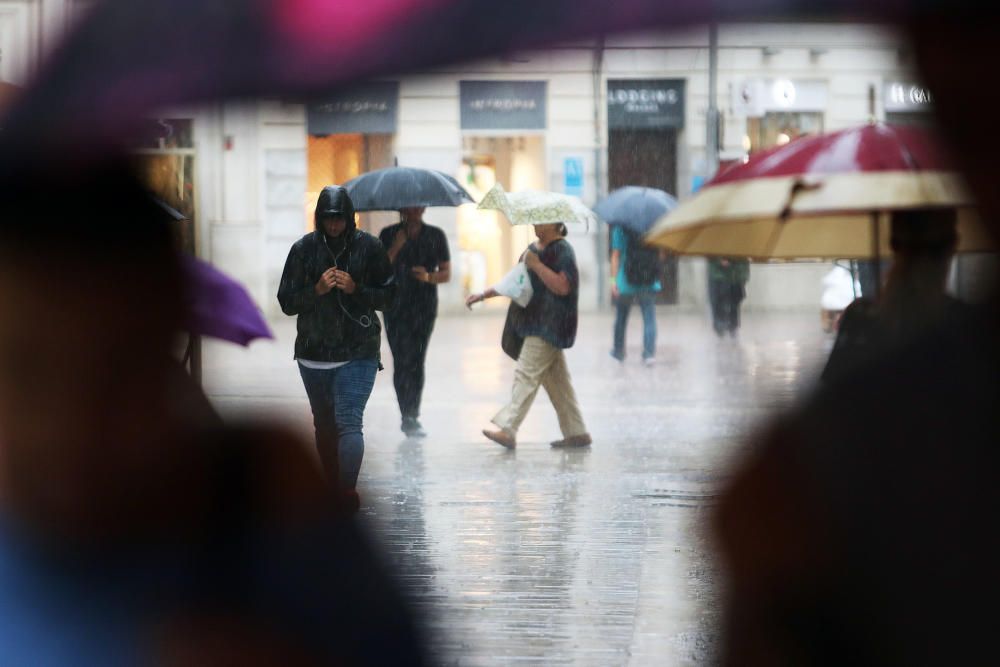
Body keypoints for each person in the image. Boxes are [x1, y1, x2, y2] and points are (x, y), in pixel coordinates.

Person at [278, 185, 396, 507]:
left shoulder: (369, 248)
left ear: (350, 217)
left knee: (349, 419)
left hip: (358, 351)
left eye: (339, 218)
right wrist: (316, 289)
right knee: (324, 424)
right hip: (313, 354)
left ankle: (346, 490)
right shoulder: (303, 250)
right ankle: (331, 486)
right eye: (328, 219)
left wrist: (356, 289)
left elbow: (389, 296)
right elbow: (286, 302)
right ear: (319, 218)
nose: (334, 225)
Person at [466, 223, 591, 450]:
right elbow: (514, 281)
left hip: (551, 325)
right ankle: (577, 431)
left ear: (554, 223)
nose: (534, 224)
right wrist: (484, 294)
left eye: (539, 220)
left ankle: (508, 428)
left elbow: (563, 286)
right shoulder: (531, 250)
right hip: (532, 322)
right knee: (557, 382)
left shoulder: (563, 250)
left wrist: (537, 265)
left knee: (526, 374)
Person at [821, 209, 964, 383]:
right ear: (954, 243)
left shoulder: (860, 318)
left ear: (892, 243)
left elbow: (834, 393)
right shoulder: (966, 323)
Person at [378, 207, 451, 438]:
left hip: (424, 307)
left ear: (424, 208)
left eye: (419, 206)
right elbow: (378, 270)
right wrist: (397, 246)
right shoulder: (388, 234)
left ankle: (413, 415)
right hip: (395, 307)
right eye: (409, 207)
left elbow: (446, 273)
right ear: (401, 209)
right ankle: (405, 414)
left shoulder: (436, 235)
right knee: (401, 359)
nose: (414, 211)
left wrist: (428, 277)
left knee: (417, 360)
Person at [609, 225, 662, 365]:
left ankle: (618, 352)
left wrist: (613, 280)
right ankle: (649, 354)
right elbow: (661, 254)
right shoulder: (654, 226)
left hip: (626, 281)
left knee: (621, 318)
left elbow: (615, 255)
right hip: (648, 280)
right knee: (649, 317)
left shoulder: (620, 228)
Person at [707, 257, 750, 337]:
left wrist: (743, 276)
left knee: (733, 304)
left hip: (735, 276)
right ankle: (722, 332)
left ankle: (730, 330)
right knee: (719, 304)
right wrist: (720, 261)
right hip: (720, 276)